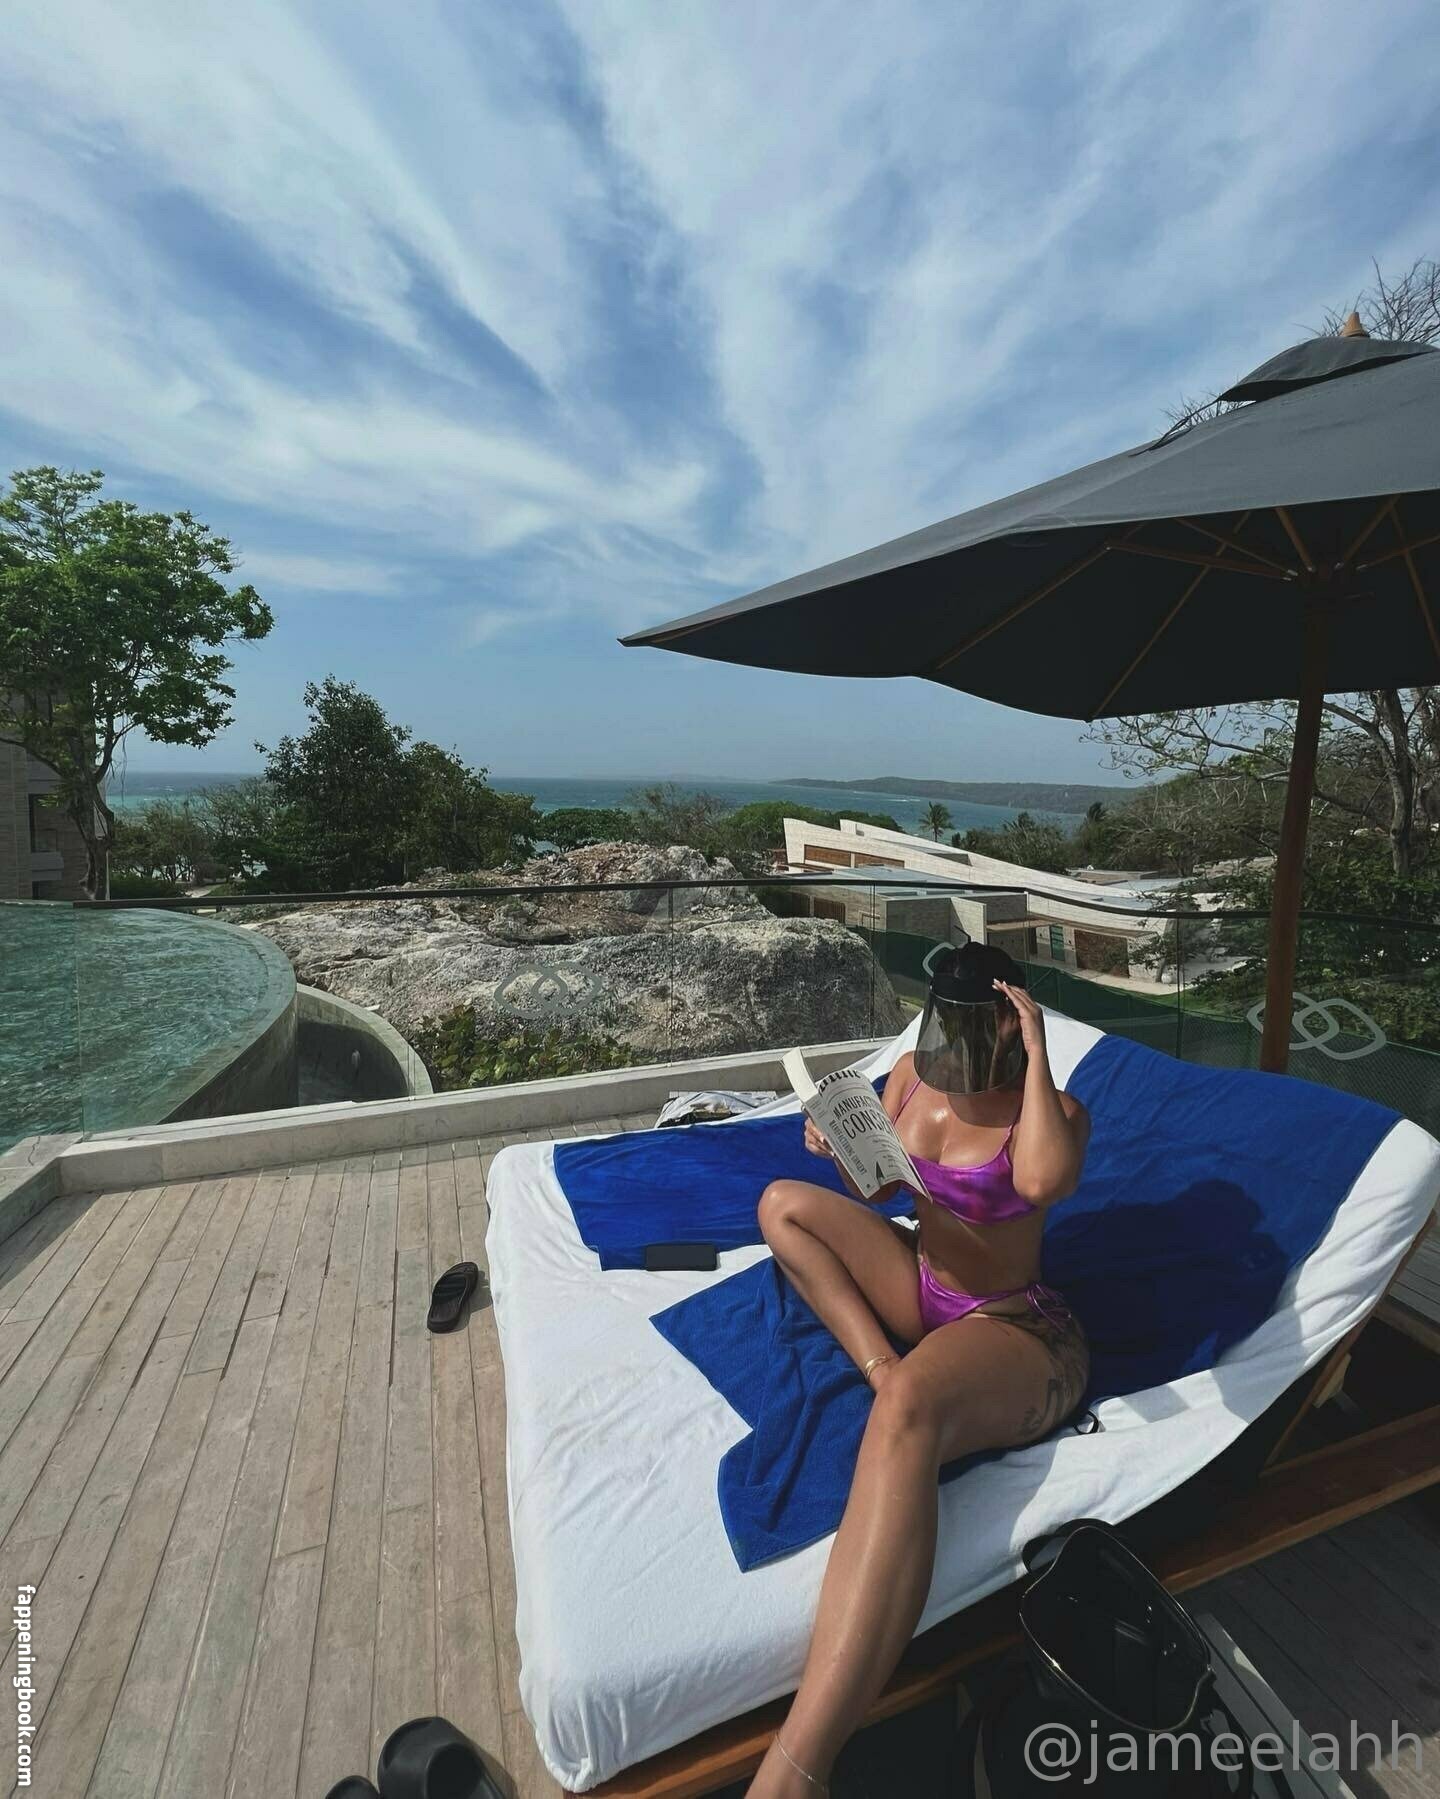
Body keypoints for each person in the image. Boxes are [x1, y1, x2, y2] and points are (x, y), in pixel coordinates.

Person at [746, 941, 1091, 1798]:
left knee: (908, 1406)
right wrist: (835, 1144)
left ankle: (798, 1766)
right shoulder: (910, 1075)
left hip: (1011, 1323)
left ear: (1006, 1024)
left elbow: (1042, 1178)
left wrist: (1038, 1047)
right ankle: (879, 1363)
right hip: (924, 1288)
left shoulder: (1051, 1111)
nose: (951, 1042)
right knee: (781, 1205)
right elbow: (881, 1189)